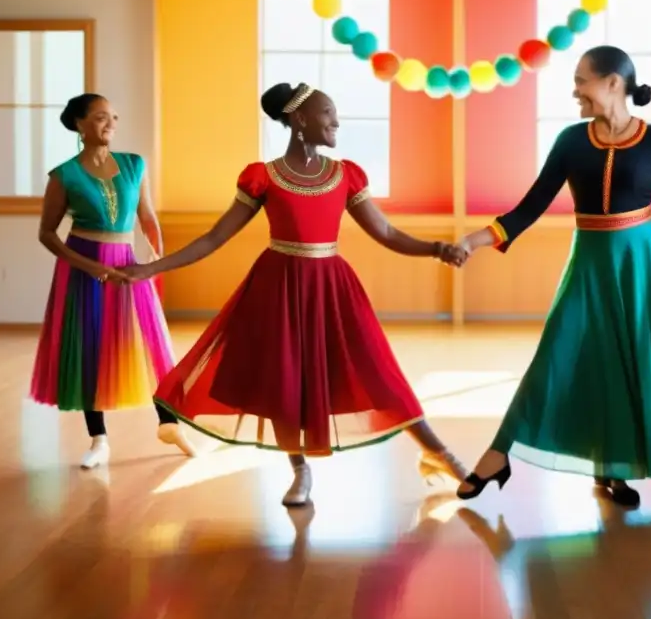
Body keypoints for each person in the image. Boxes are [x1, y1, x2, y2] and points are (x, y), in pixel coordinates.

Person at [120, 82, 468, 508]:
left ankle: (438, 453)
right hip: (277, 289)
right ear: (300, 119)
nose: (336, 121)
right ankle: (299, 471)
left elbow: (387, 232)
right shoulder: (262, 177)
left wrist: (436, 248)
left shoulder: (346, 175)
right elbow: (213, 239)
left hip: (333, 289)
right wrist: (149, 269)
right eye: (327, 113)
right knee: (283, 385)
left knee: (378, 373)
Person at [454, 46, 651, 508]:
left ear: (613, 83)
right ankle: (500, 452)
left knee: (626, 364)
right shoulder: (571, 141)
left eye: (582, 80)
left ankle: (613, 468)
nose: (575, 89)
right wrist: (475, 241)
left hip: (641, 265)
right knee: (556, 355)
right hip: (590, 264)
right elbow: (530, 206)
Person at [30, 93, 195, 469]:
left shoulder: (134, 164)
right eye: (102, 117)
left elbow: (147, 216)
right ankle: (98, 439)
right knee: (89, 349)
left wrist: (155, 256)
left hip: (128, 266)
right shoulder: (64, 174)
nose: (112, 124)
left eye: (114, 117)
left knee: (151, 346)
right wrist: (87, 267)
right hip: (83, 268)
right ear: (79, 124)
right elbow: (47, 233)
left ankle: (169, 424)